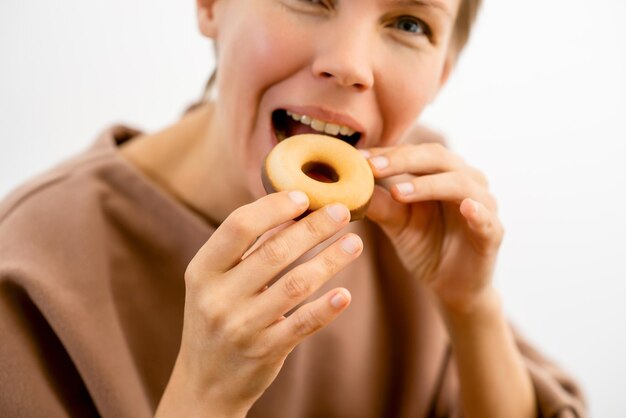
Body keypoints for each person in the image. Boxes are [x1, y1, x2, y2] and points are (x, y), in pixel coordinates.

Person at [0, 0, 586, 417]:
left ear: (441, 73)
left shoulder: (417, 207)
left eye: (409, 22)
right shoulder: (30, 271)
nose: (351, 64)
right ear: (210, 5)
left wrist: (471, 306)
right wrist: (204, 398)